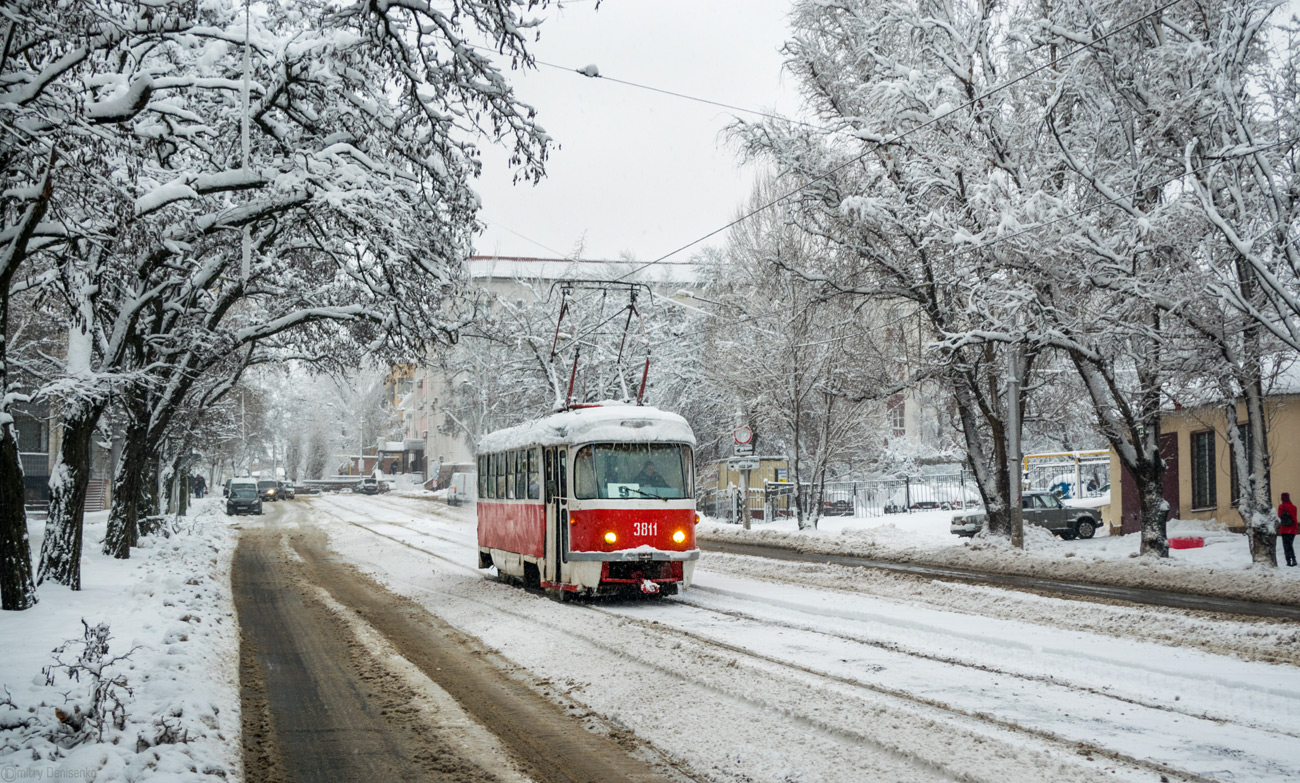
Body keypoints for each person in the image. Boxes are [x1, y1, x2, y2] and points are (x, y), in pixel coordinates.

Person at [1278, 492, 1298, 567]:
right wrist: (1295, 528)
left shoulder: (1281, 507)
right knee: (1290, 545)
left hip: (1284, 529)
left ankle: (1289, 561)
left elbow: (1279, 517)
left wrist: (1279, 528)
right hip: (1292, 529)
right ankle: (1294, 559)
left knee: (1286, 546)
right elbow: (1295, 519)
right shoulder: (1293, 507)